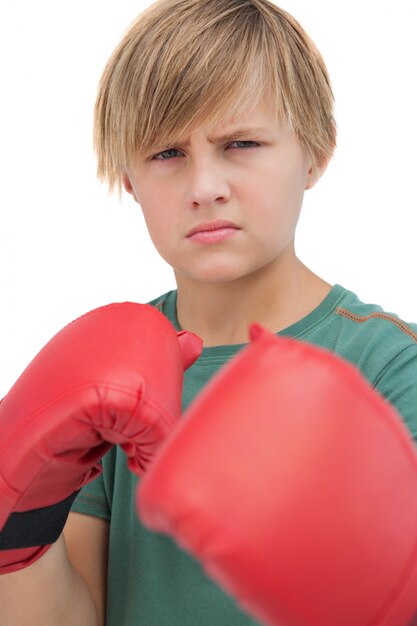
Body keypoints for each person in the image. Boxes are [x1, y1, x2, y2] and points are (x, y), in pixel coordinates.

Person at [0, 0, 416, 625]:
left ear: (317, 152)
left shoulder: (391, 367)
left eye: (240, 143)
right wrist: (20, 530)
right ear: (129, 178)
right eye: (167, 153)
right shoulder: (108, 376)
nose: (205, 186)